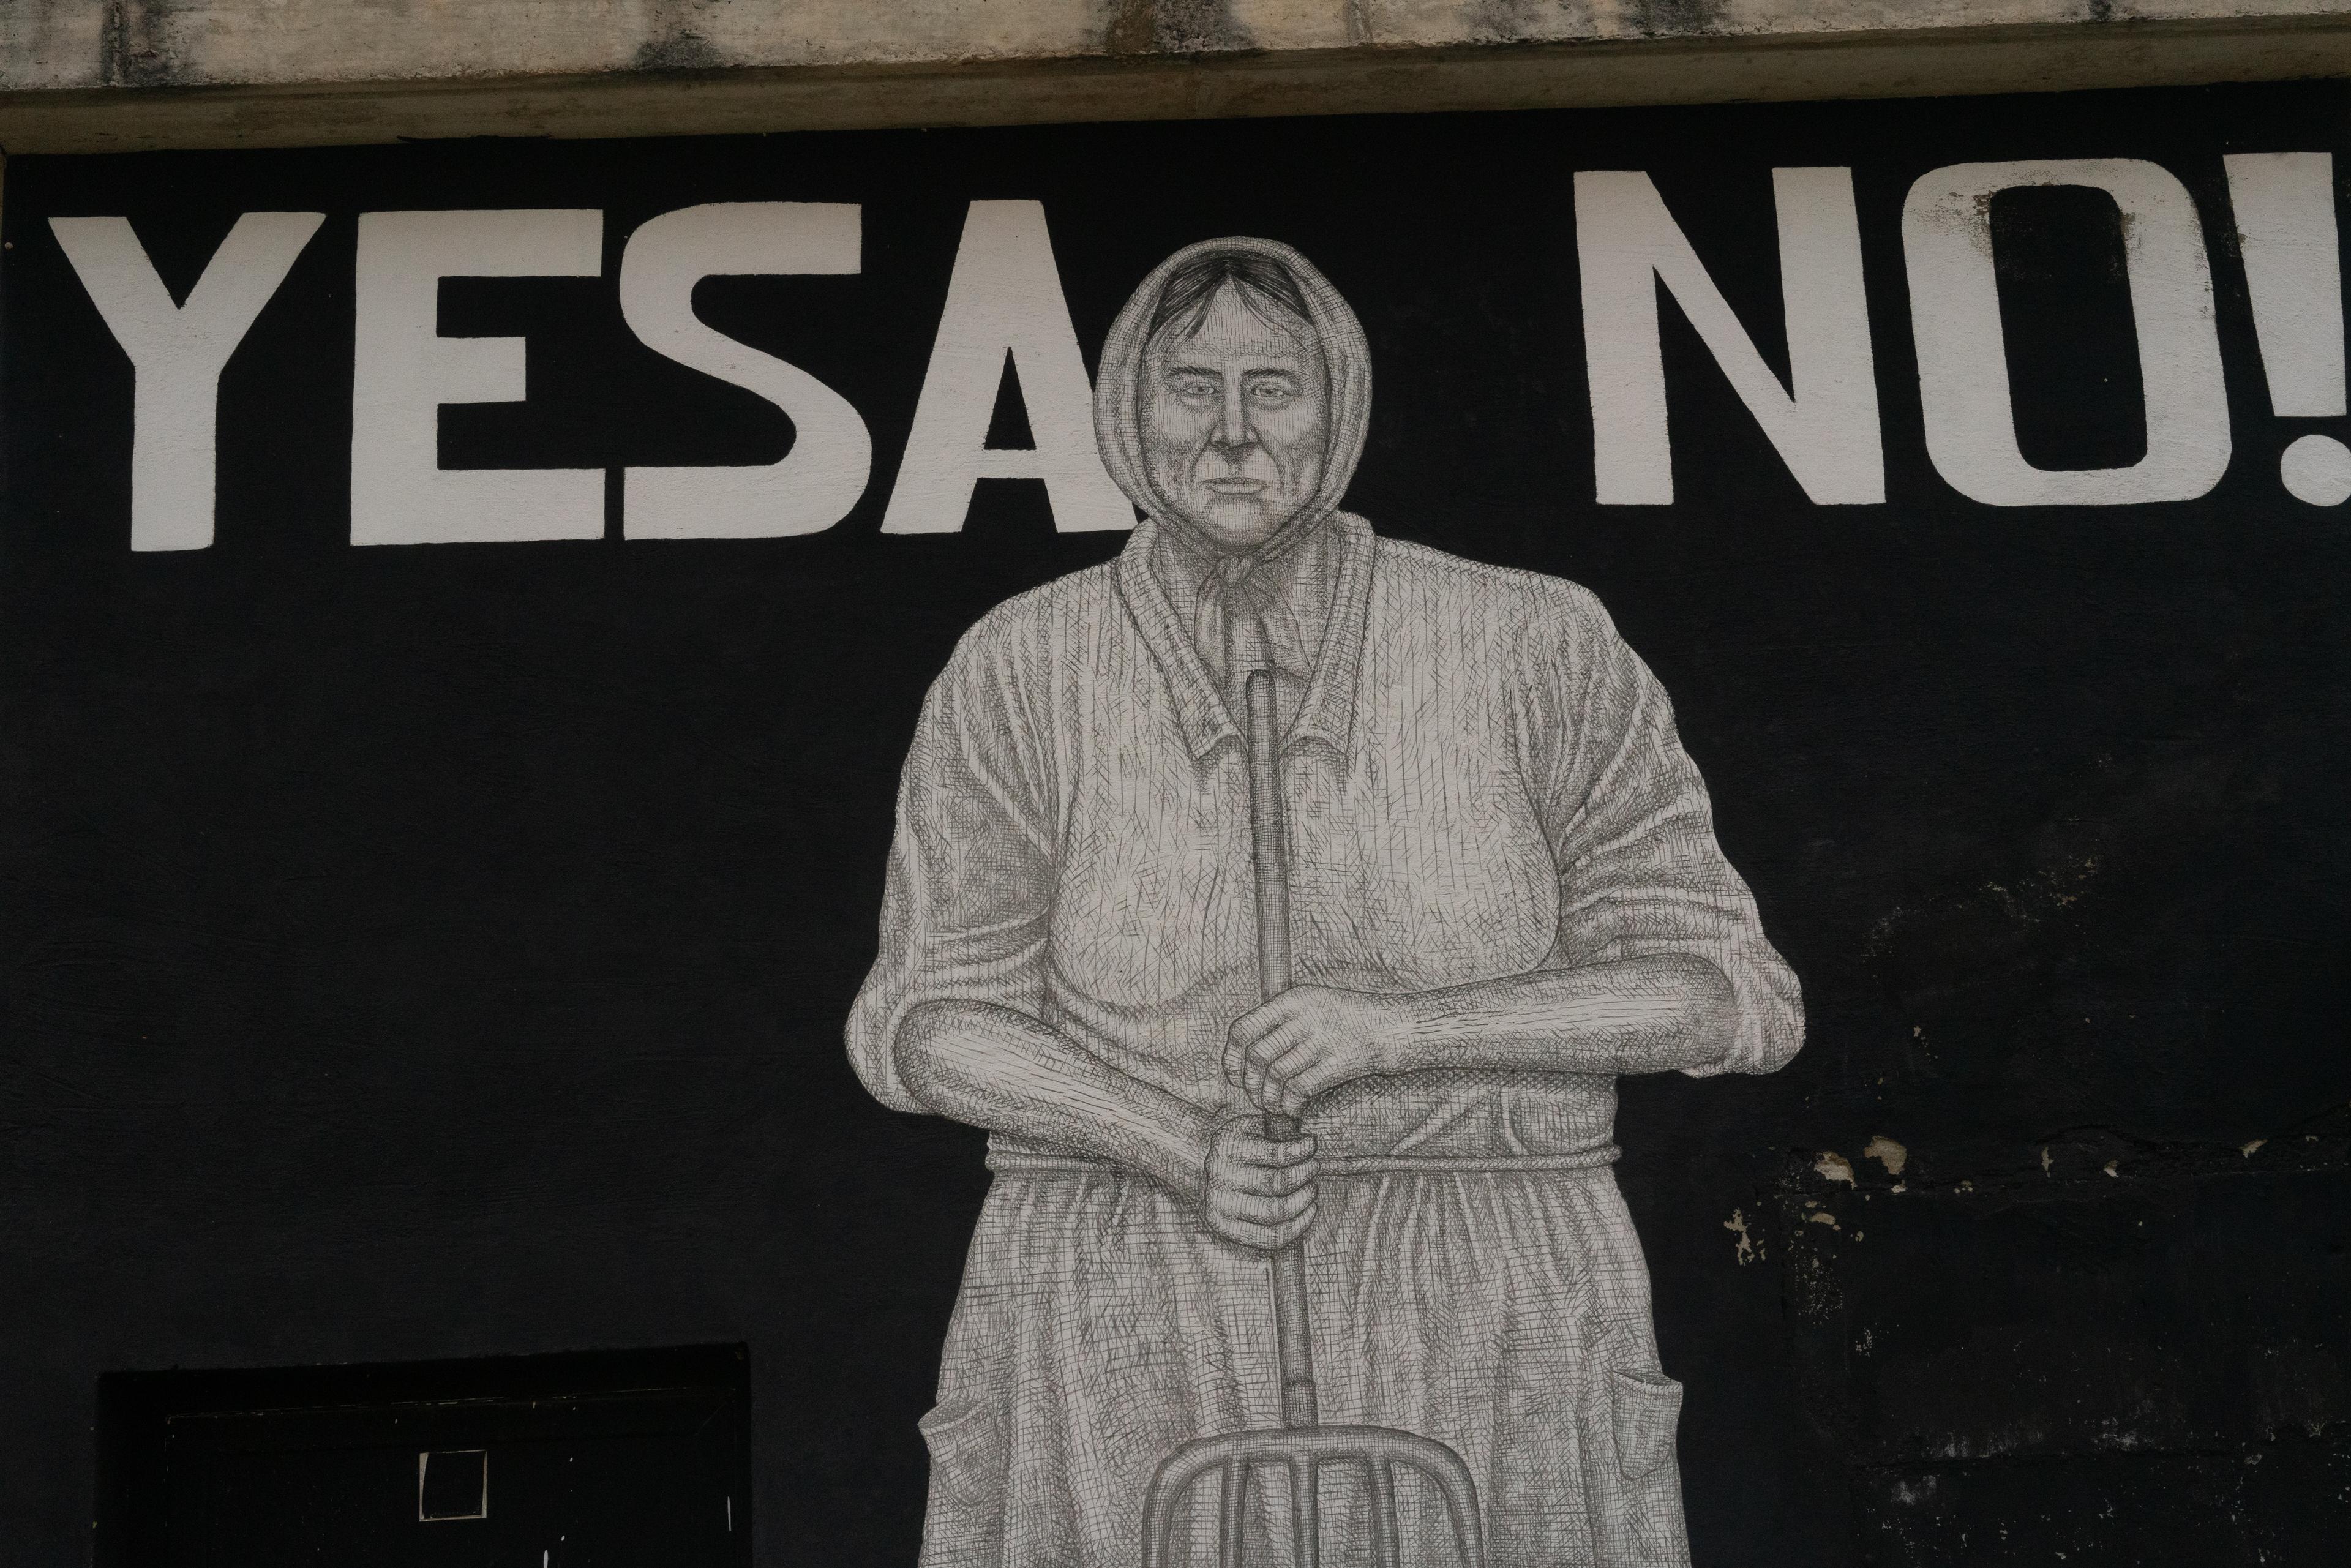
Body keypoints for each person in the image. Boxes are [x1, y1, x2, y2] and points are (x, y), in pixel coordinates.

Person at [847, 237, 1803, 1567]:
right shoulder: (1023, 666)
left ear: (1338, 407)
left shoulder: (1535, 641)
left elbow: (1727, 992)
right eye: (1190, 387)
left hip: (1494, 1280)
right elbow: (927, 1019)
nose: (1232, 433)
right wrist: (1175, 1143)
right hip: (1121, 1274)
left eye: (1275, 388)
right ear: (1130, 407)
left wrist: (1406, 1031)